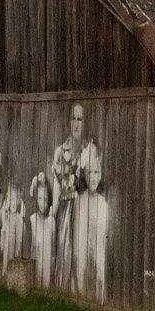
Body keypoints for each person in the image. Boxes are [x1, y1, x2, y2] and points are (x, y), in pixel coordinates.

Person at [52, 102, 87, 292]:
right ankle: (62, 292)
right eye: (73, 118)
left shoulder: (89, 151)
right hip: (65, 211)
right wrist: (55, 216)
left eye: (80, 119)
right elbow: (58, 189)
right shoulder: (60, 152)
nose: (76, 123)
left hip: (83, 211)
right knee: (64, 252)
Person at [75, 142, 108, 303]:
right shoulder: (80, 201)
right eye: (90, 172)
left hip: (99, 252)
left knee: (100, 275)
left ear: (100, 174)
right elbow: (78, 236)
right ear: (85, 175)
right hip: (83, 251)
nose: (93, 177)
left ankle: (100, 303)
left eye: (96, 172)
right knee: (82, 274)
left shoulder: (103, 204)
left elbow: (105, 234)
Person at [29, 172, 57, 289]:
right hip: (36, 261)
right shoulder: (33, 219)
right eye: (39, 198)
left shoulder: (51, 221)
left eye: (45, 199)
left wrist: (52, 265)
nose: (42, 203)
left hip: (47, 263)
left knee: (45, 287)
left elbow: (54, 248)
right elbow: (32, 246)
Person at [1, 184, 26, 275]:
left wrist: (17, 250)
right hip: (7, 245)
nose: (13, 202)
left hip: (14, 246)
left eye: (15, 199)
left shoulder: (19, 218)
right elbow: (3, 229)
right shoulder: (7, 216)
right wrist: (2, 243)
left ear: (18, 201)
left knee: (13, 263)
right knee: (6, 262)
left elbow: (19, 237)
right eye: (11, 199)